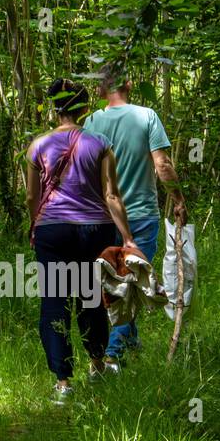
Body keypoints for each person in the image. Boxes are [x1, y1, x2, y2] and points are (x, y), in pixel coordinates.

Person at [26, 79, 141, 405]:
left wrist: (36, 225)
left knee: (54, 302)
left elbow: (32, 195)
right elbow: (111, 195)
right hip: (95, 230)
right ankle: (96, 364)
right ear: (84, 107)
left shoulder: (38, 146)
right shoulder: (100, 143)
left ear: (55, 108)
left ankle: (63, 383)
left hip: (52, 231)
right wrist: (129, 238)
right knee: (90, 299)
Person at [83, 65, 186, 370]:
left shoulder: (91, 122)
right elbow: (163, 164)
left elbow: (86, 170)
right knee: (133, 285)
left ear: (101, 89)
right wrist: (178, 198)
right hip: (140, 215)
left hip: (104, 216)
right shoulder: (146, 116)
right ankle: (113, 356)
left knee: (114, 282)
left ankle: (130, 342)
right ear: (128, 84)